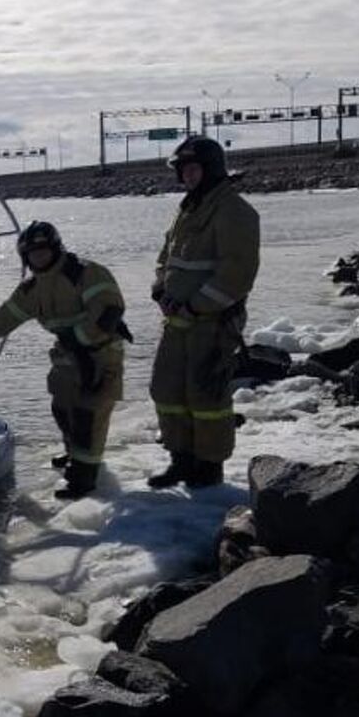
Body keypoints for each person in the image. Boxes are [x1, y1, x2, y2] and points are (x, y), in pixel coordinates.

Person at [0, 221, 129, 500]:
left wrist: (79, 340)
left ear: (55, 249)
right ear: (25, 257)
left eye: (43, 251)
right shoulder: (31, 290)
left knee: (88, 413)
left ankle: (85, 478)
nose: (38, 257)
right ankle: (75, 454)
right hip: (67, 355)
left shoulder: (85, 273)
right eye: (32, 253)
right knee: (62, 408)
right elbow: (2, 319)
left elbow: (109, 311)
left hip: (101, 353)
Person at [147, 135, 260, 489]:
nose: (188, 176)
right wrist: (160, 288)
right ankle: (181, 458)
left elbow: (236, 274)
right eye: (183, 171)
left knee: (206, 397)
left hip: (212, 325)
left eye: (193, 169)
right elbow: (168, 256)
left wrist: (197, 305)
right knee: (165, 390)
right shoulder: (189, 209)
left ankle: (209, 467)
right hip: (177, 323)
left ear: (210, 169)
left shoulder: (235, 211)